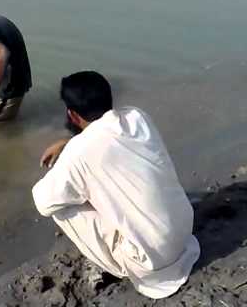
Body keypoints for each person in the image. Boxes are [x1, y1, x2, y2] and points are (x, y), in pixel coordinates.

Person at [32, 71, 200, 299]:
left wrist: (67, 159)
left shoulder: (79, 152)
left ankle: (117, 264)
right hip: (183, 234)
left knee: (58, 206)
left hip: (151, 264)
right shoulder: (137, 116)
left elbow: (42, 202)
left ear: (71, 114)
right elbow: (103, 137)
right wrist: (69, 143)